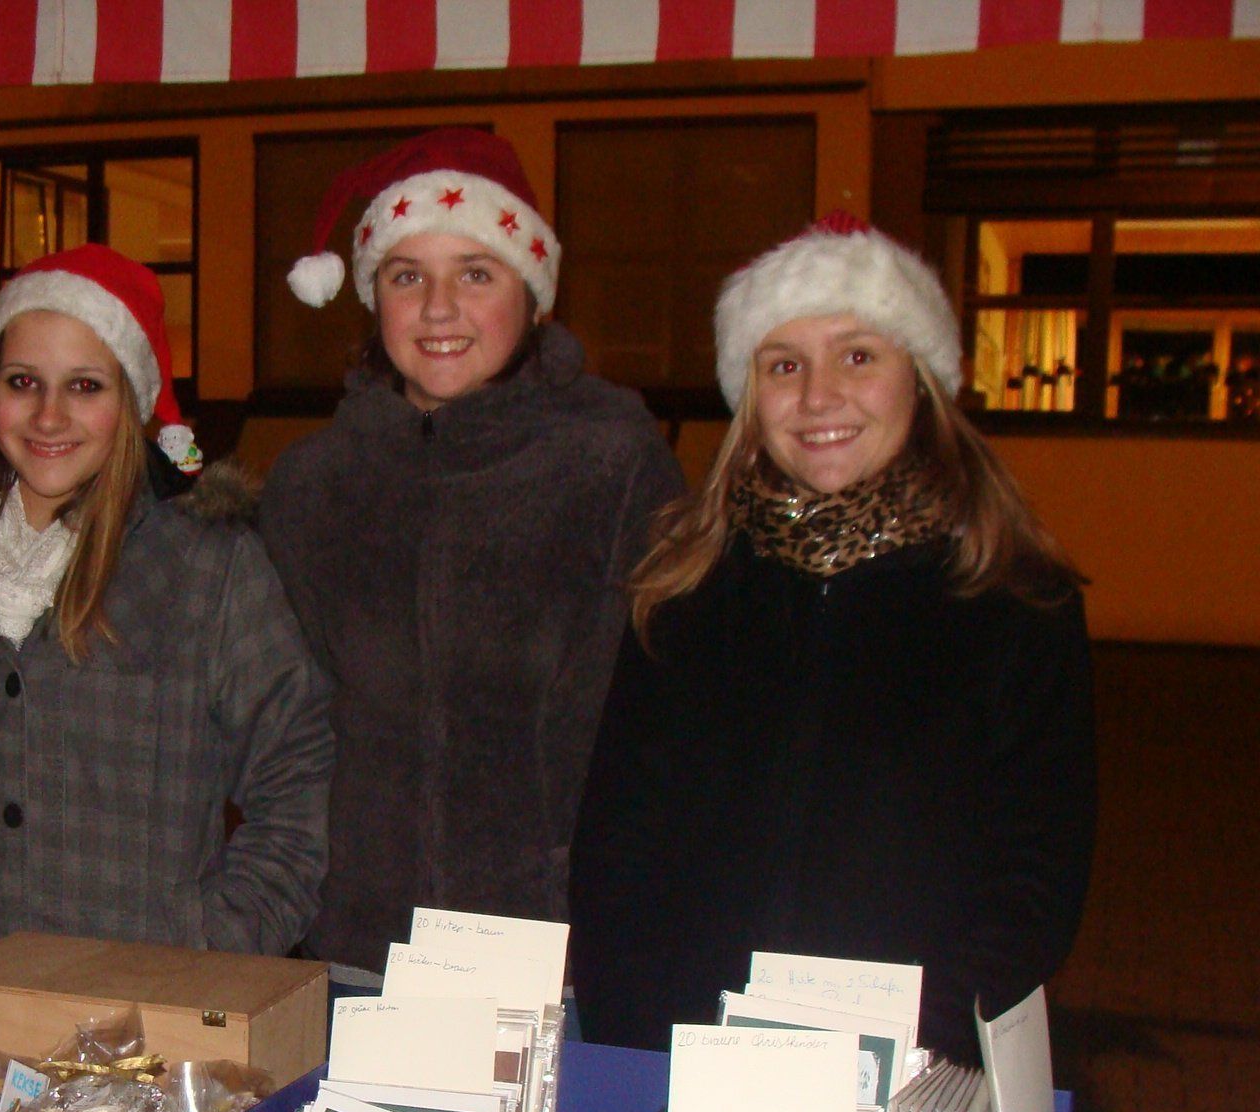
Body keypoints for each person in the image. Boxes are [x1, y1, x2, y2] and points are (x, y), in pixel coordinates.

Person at [569, 213, 1096, 1063]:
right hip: (687, 1060)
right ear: (750, 396)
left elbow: (1034, 879)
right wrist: (646, 1038)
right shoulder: (684, 590)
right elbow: (617, 848)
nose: (818, 398)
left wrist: (913, 1047)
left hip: (906, 1070)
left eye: (858, 356)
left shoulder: (1015, 602)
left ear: (920, 379)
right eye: (784, 365)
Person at [0, 244, 333, 1004]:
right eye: (22, 381)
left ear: (129, 398)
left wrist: (214, 945)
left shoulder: (207, 566)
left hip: (134, 1020)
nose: (48, 416)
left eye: (85, 386)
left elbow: (297, 776)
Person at [258, 128, 684, 978]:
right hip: (355, 946)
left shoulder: (614, 468)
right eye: (407, 276)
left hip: (555, 952)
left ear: (533, 296)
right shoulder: (311, 485)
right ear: (372, 298)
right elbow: (287, 731)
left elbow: (664, 727)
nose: (438, 308)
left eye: (476, 274)